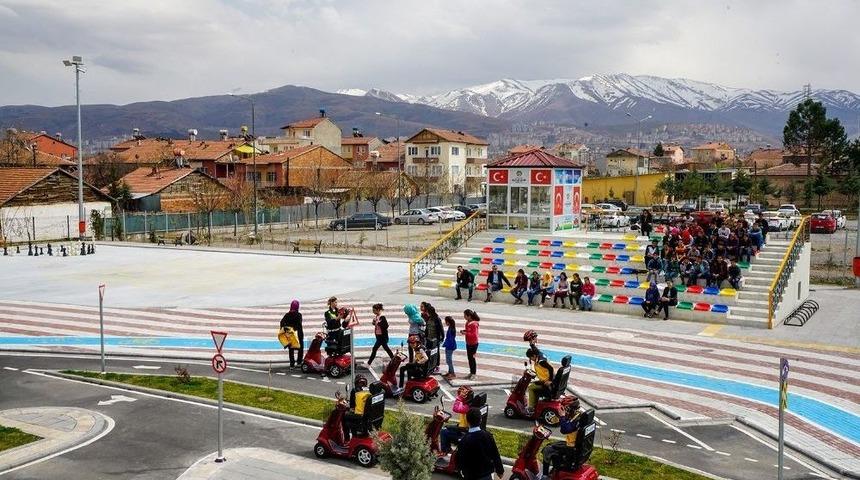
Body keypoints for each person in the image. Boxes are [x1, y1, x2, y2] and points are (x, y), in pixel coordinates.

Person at [456, 408, 505, 480]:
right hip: (486, 475)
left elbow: (461, 460)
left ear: (467, 421)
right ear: (481, 420)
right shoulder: (488, 436)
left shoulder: (464, 440)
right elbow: (495, 454)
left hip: (471, 476)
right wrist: (500, 470)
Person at [541, 396, 584, 478]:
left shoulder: (576, 419)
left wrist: (562, 416)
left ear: (569, 408)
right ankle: (555, 468)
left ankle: (545, 476)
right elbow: (567, 423)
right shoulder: (579, 415)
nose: (564, 410)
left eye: (565, 408)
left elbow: (564, 430)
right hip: (577, 445)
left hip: (571, 448)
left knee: (547, 449)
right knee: (552, 446)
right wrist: (561, 419)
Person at [440, 385, 473, 455]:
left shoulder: (466, 408)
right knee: (448, 428)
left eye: (463, 394)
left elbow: (455, 408)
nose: (460, 395)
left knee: (443, 431)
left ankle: (445, 450)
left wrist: (459, 397)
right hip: (464, 429)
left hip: (463, 432)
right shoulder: (470, 404)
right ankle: (448, 449)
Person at [342, 374, 370, 442]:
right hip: (367, 415)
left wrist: (347, 406)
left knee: (344, 417)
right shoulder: (369, 391)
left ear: (356, 383)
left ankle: (347, 438)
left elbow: (352, 408)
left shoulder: (354, 391)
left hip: (359, 416)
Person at [526, 347, 554, 414]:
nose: (530, 359)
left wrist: (550, 381)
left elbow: (551, 369)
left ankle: (531, 408)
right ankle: (535, 404)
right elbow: (535, 349)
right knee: (534, 383)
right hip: (544, 380)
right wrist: (532, 343)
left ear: (534, 356)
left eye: (530, 357)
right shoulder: (539, 354)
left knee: (531, 387)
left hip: (546, 383)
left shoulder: (541, 362)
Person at [279, 299, 304, 369]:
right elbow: (299, 324)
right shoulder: (299, 315)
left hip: (290, 334)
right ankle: (299, 362)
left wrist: (287, 329)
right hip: (298, 334)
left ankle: (292, 364)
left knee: (291, 349)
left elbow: (281, 323)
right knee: (300, 347)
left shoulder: (287, 315)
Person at [461, 309, 480, 380]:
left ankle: (474, 374)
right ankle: (471, 372)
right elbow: (469, 331)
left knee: (472, 359)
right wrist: (464, 331)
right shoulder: (467, 323)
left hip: (473, 344)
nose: (464, 317)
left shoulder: (474, 324)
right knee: (469, 359)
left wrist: (465, 333)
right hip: (468, 343)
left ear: (469, 316)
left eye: (465, 315)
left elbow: (474, 335)